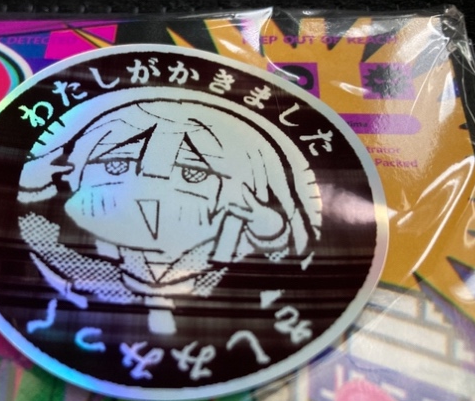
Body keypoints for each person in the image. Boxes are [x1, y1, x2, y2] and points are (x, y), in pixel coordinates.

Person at [17, 99, 322, 334]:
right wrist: (35, 187)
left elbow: (280, 266)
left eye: (193, 174)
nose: (151, 191)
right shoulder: (99, 268)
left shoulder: (224, 268)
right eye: (116, 166)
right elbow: (43, 241)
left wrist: (268, 228)